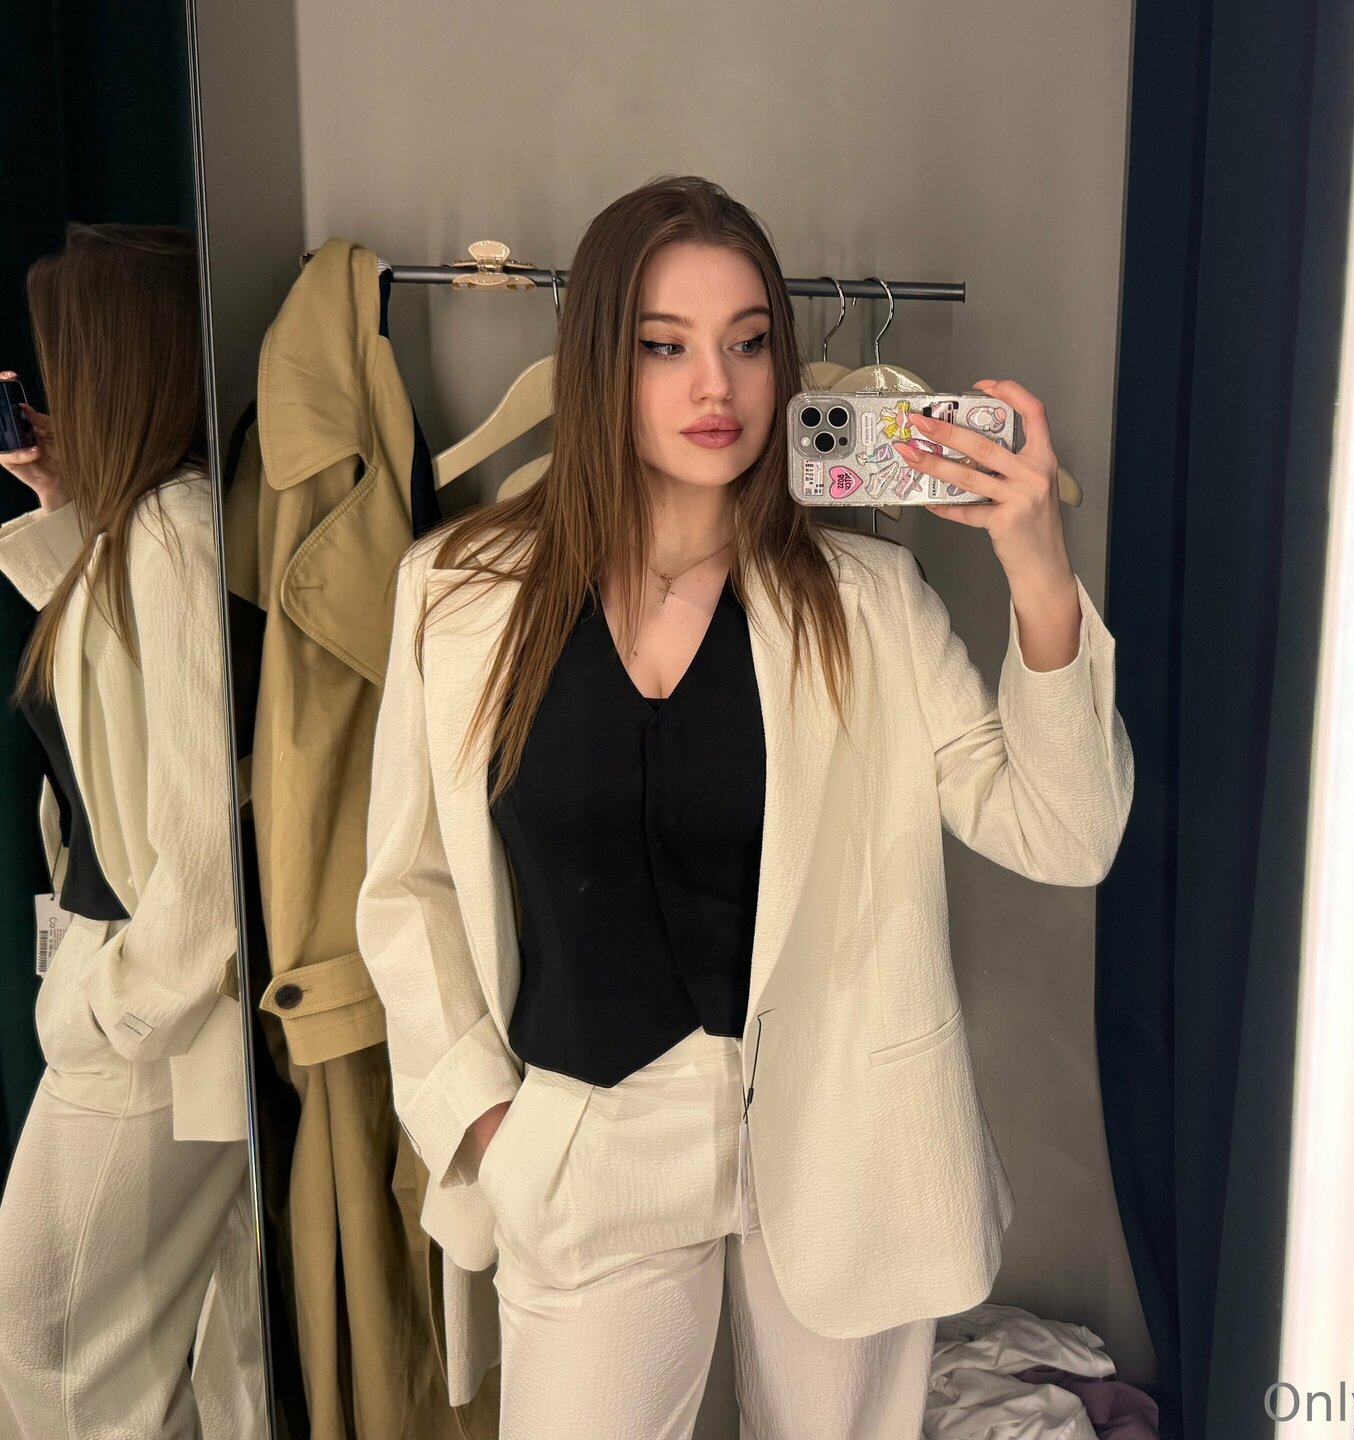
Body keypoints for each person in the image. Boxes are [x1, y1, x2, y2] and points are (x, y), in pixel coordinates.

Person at [357, 174, 1134, 1440]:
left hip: (846, 1138)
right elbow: (409, 887)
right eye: (664, 346)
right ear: (597, 360)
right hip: (591, 1137)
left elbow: (1066, 832)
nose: (714, 385)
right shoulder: (460, 593)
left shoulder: (867, 599)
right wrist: (486, 1119)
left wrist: (1038, 576)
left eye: (749, 342)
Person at [0, 224, 252, 1437]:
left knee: (60, 1363)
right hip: (132, 1009)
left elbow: (205, 838)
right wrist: (67, 504)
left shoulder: (172, 532)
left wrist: (116, 1013)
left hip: (147, 1025)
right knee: (117, 1363)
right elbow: (106, 684)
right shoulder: (146, 525)